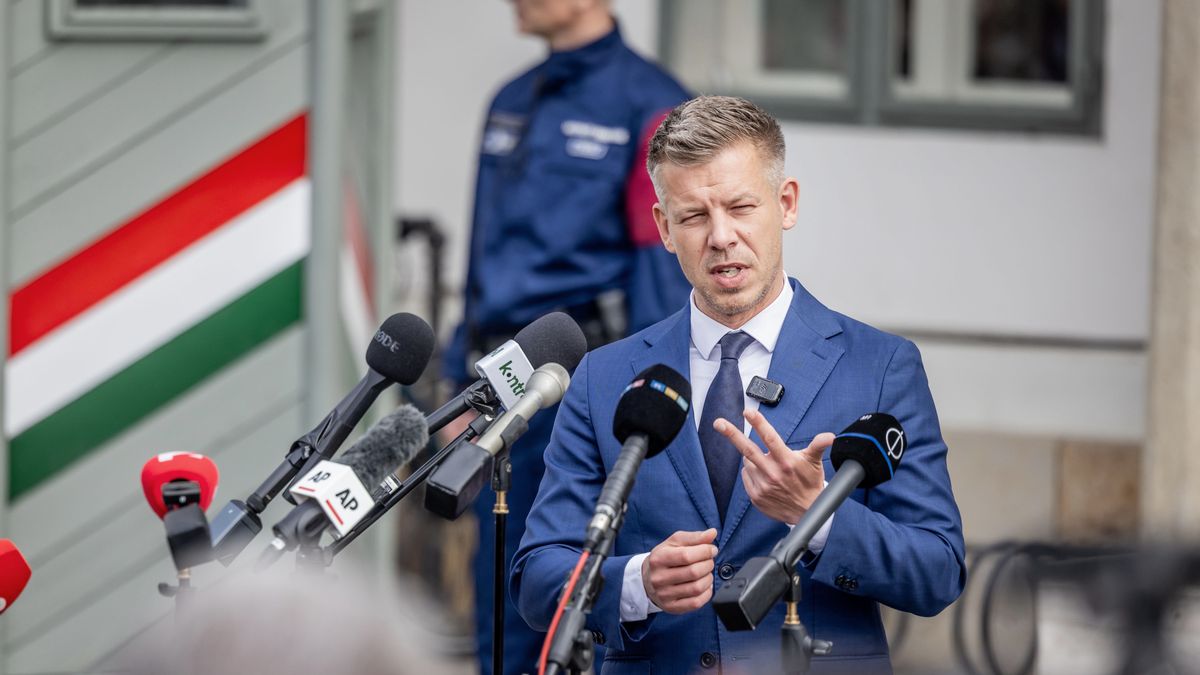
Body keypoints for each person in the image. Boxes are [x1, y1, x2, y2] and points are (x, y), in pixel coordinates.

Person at [511, 95, 966, 673]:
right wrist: (637, 582)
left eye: (740, 207)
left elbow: (938, 569)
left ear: (786, 203)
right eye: (694, 216)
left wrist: (816, 515)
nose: (721, 236)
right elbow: (537, 577)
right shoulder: (604, 377)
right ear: (664, 227)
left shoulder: (880, 367)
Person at [440, 1, 692, 673]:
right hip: (500, 389)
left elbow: (662, 277)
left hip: (587, 391)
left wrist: (645, 410)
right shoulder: (511, 99)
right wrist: (456, 382)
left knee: (577, 604)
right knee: (501, 598)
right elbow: (479, 261)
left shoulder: (656, 107)